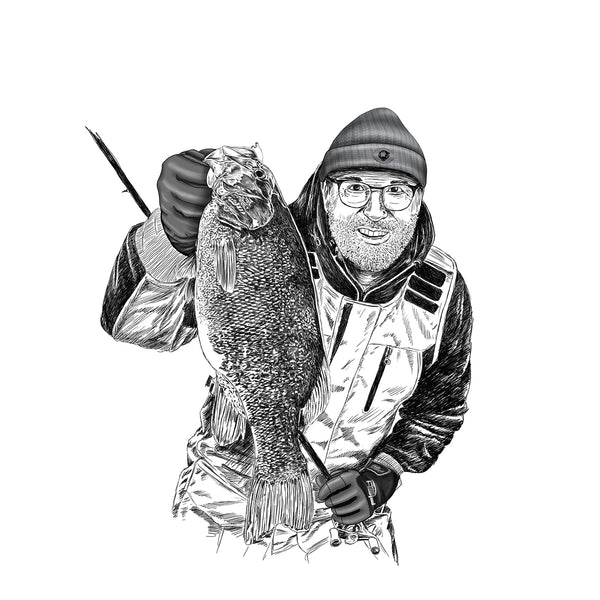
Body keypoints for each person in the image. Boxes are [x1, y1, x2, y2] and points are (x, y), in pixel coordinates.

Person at [101, 107, 473, 560]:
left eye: (396, 191)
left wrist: (382, 476)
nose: (375, 211)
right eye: (355, 188)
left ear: (417, 200)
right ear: (326, 190)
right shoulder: (266, 240)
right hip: (219, 515)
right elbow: (138, 327)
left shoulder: (442, 288)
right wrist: (170, 237)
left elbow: (440, 407)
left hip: (346, 533)